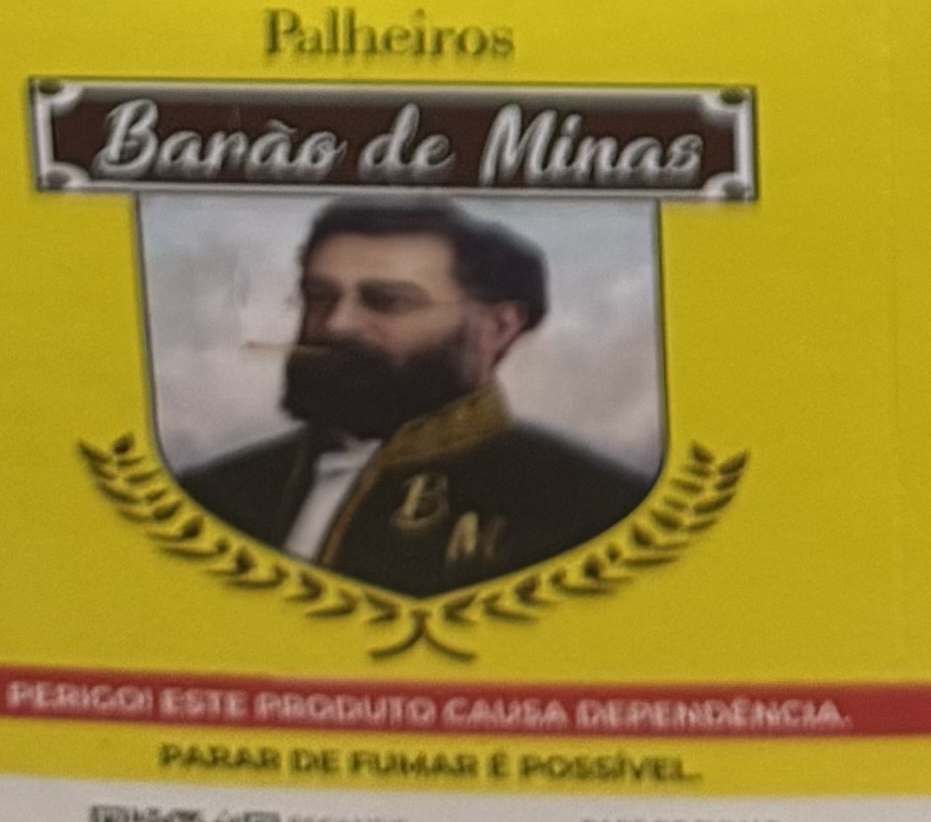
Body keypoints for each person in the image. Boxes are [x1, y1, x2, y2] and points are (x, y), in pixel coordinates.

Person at [180, 199, 647, 584]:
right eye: (319, 297)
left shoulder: (598, 507)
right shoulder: (214, 494)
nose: (337, 325)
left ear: (498, 327)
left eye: (387, 302)